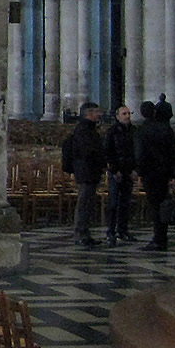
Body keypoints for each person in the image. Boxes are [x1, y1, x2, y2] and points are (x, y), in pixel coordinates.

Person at [135, 98, 175, 251]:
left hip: (150, 173)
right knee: (163, 204)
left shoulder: (142, 130)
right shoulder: (166, 129)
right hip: (164, 172)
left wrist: (139, 173)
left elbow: (140, 154)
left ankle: (158, 238)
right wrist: (173, 174)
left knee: (155, 207)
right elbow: (173, 153)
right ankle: (162, 236)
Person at [62, 100, 104, 248]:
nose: (100, 114)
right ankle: (80, 234)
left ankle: (86, 233)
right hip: (86, 171)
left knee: (88, 205)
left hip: (90, 171)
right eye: (97, 112)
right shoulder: (83, 130)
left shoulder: (89, 129)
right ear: (89, 114)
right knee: (83, 204)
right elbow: (87, 151)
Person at [103, 103, 137, 245]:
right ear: (117, 117)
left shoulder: (134, 131)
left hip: (129, 171)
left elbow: (136, 152)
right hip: (116, 172)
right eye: (124, 114)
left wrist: (136, 170)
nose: (127, 116)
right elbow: (108, 152)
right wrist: (114, 170)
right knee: (113, 203)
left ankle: (123, 230)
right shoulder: (112, 132)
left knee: (125, 203)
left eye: (129, 113)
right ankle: (110, 231)